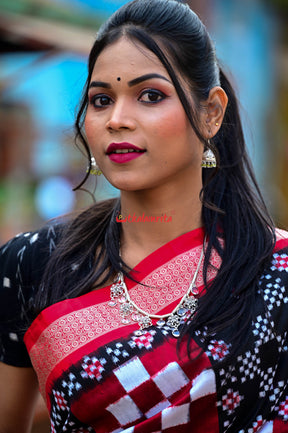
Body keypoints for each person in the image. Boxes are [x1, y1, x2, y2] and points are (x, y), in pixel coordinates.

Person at [1, 0, 288, 431]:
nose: (117, 120)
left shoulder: (276, 270)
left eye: (150, 95)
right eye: (101, 100)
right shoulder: (31, 265)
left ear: (211, 113)